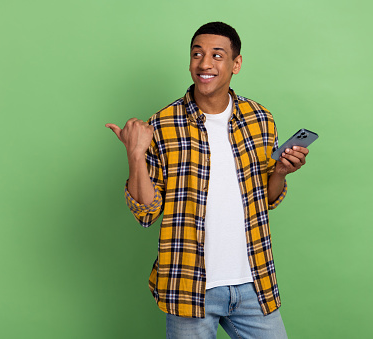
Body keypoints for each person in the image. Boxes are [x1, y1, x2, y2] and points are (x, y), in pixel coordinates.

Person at [106, 22, 309, 339]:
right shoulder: (162, 124)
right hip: (189, 286)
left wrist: (280, 172)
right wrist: (135, 154)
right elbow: (146, 211)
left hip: (253, 282)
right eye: (197, 54)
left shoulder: (260, 118)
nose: (204, 64)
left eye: (217, 55)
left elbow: (266, 199)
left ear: (235, 64)